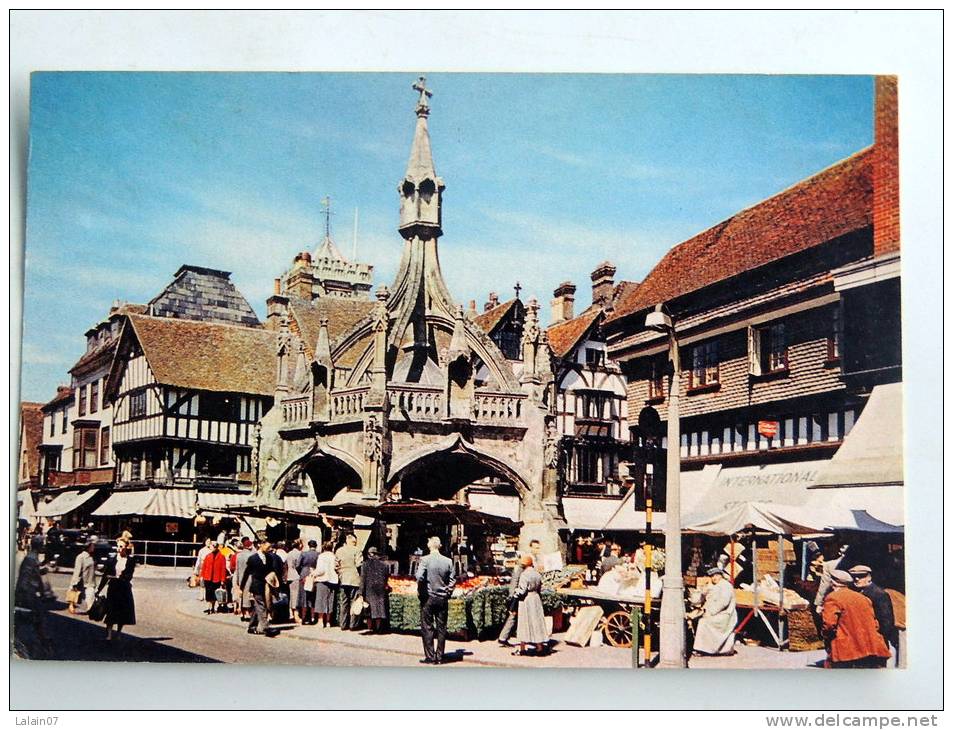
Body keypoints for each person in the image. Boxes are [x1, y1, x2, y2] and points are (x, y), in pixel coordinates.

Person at [821, 569, 890, 668]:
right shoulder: (863, 598)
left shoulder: (833, 598)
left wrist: (826, 638)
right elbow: (875, 623)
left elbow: (829, 624)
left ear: (833, 583)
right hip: (869, 648)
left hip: (846, 651)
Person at [416, 536, 456, 665]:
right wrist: (447, 592)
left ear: (430, 546)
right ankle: (440, 656)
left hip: (428, 597)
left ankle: (430, 656)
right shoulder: (448, 561)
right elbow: (452, 580)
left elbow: (419, 576)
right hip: (442, 598)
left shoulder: (425, 560)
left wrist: (423, 589)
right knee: (441, 627)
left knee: (427, 627)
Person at [848, 565, 899, 666]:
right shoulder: (853, 592)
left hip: (874, 641)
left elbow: (887, 621)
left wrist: (878, 636)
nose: (857, 579)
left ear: (869, 577)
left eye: (861, 576)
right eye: (854, 576)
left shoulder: (879, 594)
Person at [498, 539, 541, 646]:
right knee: (514, 614)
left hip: (525, 591)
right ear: (531, 547)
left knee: (520, 615)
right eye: (535, 547)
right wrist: (513, 593)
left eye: (538, 547)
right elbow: (516, 576)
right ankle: (503, 638)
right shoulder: (525, 559)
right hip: (521, 591)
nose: (537, 549)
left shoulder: (535, 559)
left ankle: (508, 637)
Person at [14, 536, 53, 657]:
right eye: (42, 544)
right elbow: (34, 578)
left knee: (24, 619)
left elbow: (33, 573)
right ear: (39, 545)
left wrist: (42, 571)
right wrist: (43, 592)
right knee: (35, 618)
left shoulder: (31, 557)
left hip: (25, 593)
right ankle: (42, 643)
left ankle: (40, 641)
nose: (44, 546)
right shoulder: (31, 558)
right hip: (27, 594)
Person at [97, 538, 137, 641]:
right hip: (113, 588)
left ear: (126, 548)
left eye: (121, 547)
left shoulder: (130, 560)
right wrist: (99, 589)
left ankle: (118, 632)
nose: (119, 549)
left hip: (124, 589)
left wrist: (120, 577)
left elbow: (129, 575)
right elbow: (105, 575)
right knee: (110, 611)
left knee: (122, 612)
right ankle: (109, 634)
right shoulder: (112, 559)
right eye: (117, 546)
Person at [692, 567, 737, 656]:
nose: (714, 578)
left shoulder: (726, 586)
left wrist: (710, 612)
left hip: (725, 615)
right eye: (712, 576)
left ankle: (702, 649)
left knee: (703, 622)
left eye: (716, 575)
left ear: (721, 576)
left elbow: (723, 603)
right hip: (715, 613)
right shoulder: (713, 585)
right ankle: (707, 648)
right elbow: (702, 599)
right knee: (697, 620)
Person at [240, 539, 279, 637]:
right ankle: (266, 628)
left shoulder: (269, 558)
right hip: (257, 586)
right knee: (262, 606)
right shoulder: (253, 558)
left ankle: (251, 626)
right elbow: (246, 573)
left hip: (266, 586)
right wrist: (241, 587)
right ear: (260, 545)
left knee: (257, 607)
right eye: (267, 546)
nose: (269, 549)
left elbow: (272, 570)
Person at [512, 555, 549, 656]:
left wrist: (515, 594)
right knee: (536, 623)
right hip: (536, 598)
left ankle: (522, 648)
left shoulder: (524, 575)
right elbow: (540, 587)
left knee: (524, 623)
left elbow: (522, 590)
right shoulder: (537, 574)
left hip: (526, 600)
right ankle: (539, 647)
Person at [335, 534, 363, 630]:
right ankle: (353, 625)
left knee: (344, 602)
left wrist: (340, 573)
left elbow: (336, 566)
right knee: (354, 602)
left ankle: (343, 624)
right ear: (354, 542)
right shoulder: (357, 550)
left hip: (343, 579)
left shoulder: (339, 551)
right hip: (354, 579)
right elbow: (359, 564)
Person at [360, 547, 390, 633]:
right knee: (379, 609)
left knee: (368, 610)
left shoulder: (365, 565)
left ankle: (370, 628)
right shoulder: (384, 565)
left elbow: (363, 579)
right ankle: (378, 628)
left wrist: (361, 592)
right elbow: (386, 577)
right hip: (380, 589)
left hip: (369, 589)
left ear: (370, 554)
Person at [814, 543, 850, 613]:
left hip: (835, 599)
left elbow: (824, 586)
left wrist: (819, 604)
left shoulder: (829, 565)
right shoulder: (858, 565)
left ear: (840, 552)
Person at [313, 540, 339, 628]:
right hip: (333, 580)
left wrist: (313, 573)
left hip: (323, 580)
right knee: (330, 600)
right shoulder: (334, 556)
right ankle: (328, 621)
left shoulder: (321, 556)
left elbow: (321, 570)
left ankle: (320, 621)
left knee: (321, 600)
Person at [69, 540, 97, 614]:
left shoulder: (91, 556)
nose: (94, 547)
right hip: (84, 583)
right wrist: (75, 582)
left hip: (90, 582)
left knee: (90, 599)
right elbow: (77, 571)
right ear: (87, 547)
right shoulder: (81, 557)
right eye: (92, 546)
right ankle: (72, 606)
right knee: (76, 595)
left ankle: (89, 609)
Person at [296, 539, 320, 625]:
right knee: (313, 596)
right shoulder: (318, 554)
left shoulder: (303, 554)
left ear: (309, 546)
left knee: (303, 597)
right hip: (314, 574)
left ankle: (303, 617)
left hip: (304, 573)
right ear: (316, 546)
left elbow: (297, 565)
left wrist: (301, 572)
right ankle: (313, 617)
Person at [201, 542, 228, 614]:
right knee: (208, 593)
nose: (211, 548)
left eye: (213, 547)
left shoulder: (221, 557)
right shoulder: (208, 556)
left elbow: (223, 569)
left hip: (216, 578)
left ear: (216, 548)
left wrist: (222, 580)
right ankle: (210, 607)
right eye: (211, 547)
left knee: (214, 593)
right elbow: (204, 567)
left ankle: (211, 607)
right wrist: (202, 576)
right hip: (208, 577)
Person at [233, 538, 254, 620]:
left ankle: (243, 612)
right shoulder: (252, 555)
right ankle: (249, 612)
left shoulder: (239, 555)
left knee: (242, 595)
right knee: (249, 595)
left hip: (241, 577)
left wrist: (237, 580)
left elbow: (237, 569)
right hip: (250, 577)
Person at [285, 539, 303, 624]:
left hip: (290, 576)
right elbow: (298, 566)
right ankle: (296, 615)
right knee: (296, 596)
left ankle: (291, 613)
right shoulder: (299, 554)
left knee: (291, 596)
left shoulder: (289, 554)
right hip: (296, 576)